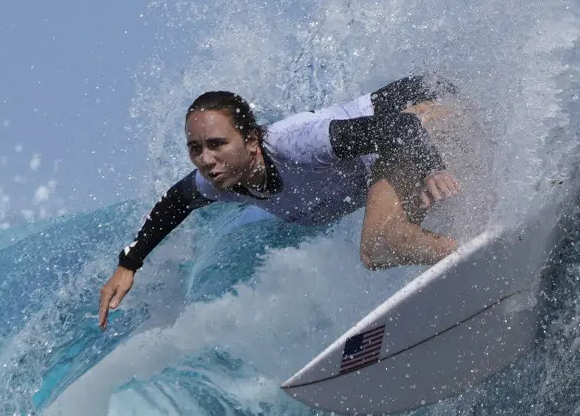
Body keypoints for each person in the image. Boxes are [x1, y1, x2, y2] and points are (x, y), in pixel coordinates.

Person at [98, 75, 466, 329]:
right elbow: (173, 203)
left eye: (217, 144)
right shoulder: (221, 180)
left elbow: (399, 128)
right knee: (377, 253)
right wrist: (128, 265)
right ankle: (475, 252)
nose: (206, 159)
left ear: (252, 140)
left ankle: (476, 257)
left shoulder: (297, 145)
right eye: (195, 149)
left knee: (381, 239)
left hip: (428, 115)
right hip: (403, 147)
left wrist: (433, 168)